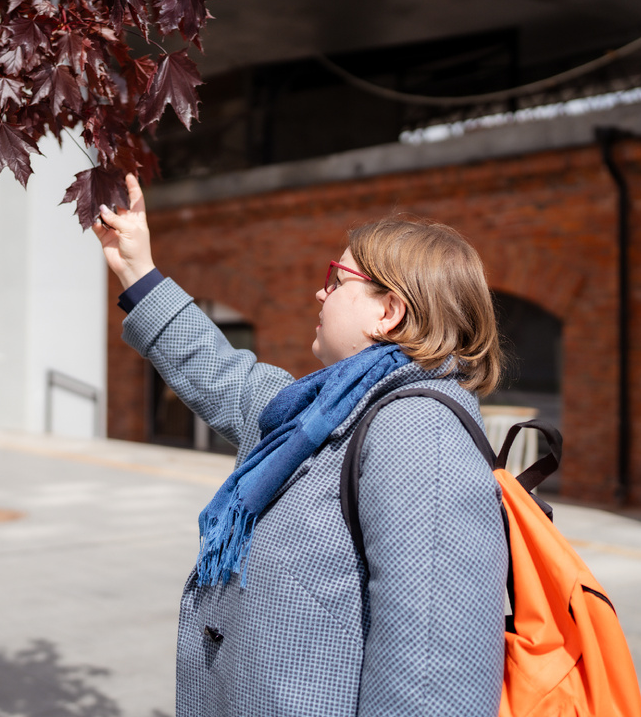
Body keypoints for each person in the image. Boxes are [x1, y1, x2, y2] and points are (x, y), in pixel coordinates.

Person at [93, 175, 508, 717]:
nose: (321, 291)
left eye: (337, 279)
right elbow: (228, 378)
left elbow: (432, 677)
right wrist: (137, 272)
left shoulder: (418, 434)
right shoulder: (331, 408)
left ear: (389, 312)